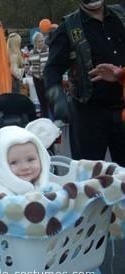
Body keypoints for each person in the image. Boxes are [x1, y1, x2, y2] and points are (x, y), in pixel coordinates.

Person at [44, 0, 125, 165]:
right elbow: (52, 69)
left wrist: (121, 74)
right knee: (89, 173)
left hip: (123, 107)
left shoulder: (122, 15)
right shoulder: (68, 26)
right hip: (88, 112)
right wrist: (57, 98)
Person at [0, 119, 60, 195]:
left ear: (41, 159)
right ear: (0, 165)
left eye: (30, 159)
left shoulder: (47, 188)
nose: (25, 167)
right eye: (13, 162)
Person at [28, 31, 50, 117]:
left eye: (42, 40)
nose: (41, 43)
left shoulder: (48, 49)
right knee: (41, 101)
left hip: (46, 78)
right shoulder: (31, 52)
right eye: (38, 41)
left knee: (49, 99)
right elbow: (29, 65)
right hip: (36, 78)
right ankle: (44, 118)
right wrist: (31, 70)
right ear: (35, 43)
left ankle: (52, 119)